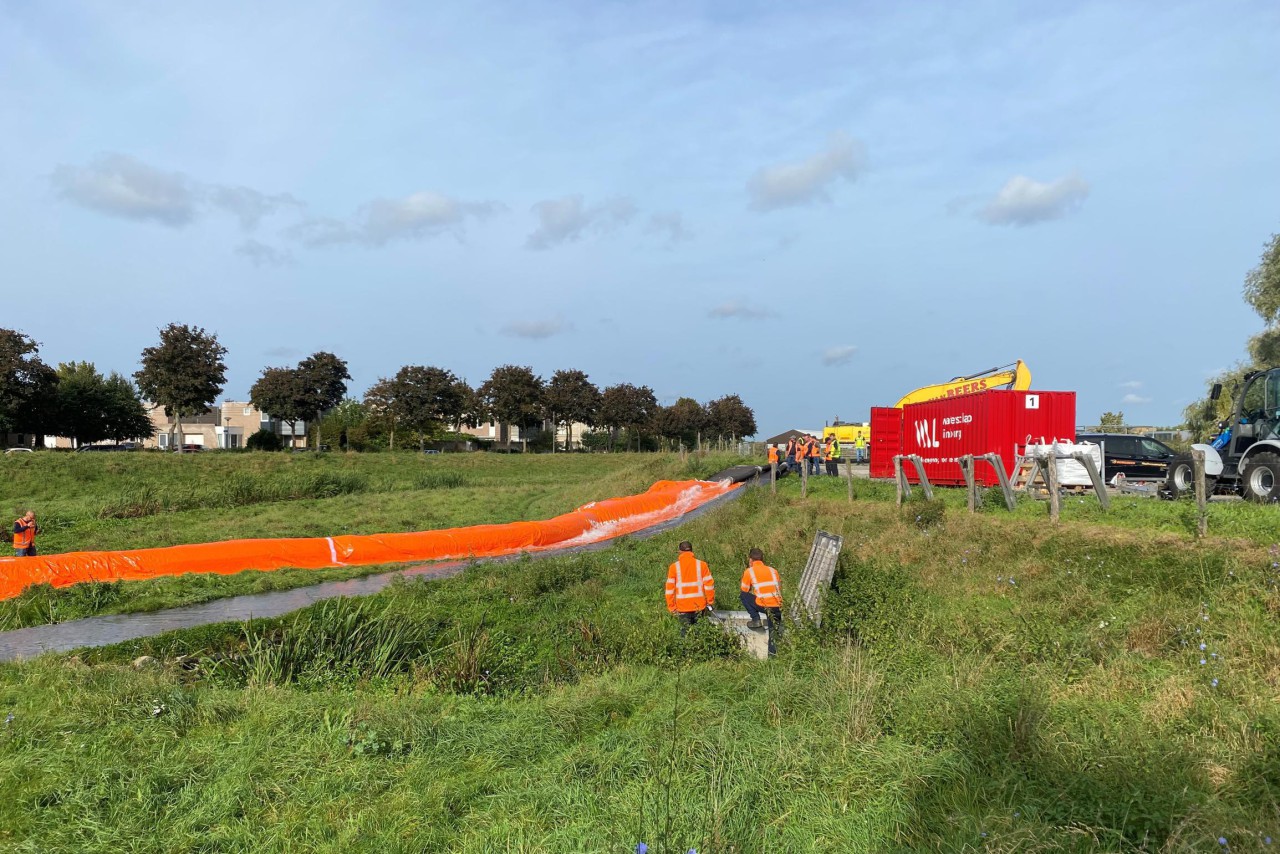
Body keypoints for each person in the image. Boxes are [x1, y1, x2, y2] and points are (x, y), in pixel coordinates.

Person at [739, 548, 783, 655]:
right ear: (762, 559)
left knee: (743, 596)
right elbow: (778, 588)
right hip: (778, 606)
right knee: (773, 633)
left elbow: (744, 589)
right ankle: (773, 656)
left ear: (750, 560)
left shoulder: (749, 571)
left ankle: (756, 619)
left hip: (763, 605)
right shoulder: (773, 571)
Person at [665, 541, 715, 633]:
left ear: (680, 552)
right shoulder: (702, 565)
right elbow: (709, 586)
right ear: (692, 551)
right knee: (701, 634)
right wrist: (710, 602)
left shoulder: (674, 567)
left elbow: (669, 590)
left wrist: (672, 607)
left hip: (682, 607)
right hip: (699, 606)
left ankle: (687, 647)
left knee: (685, 636)